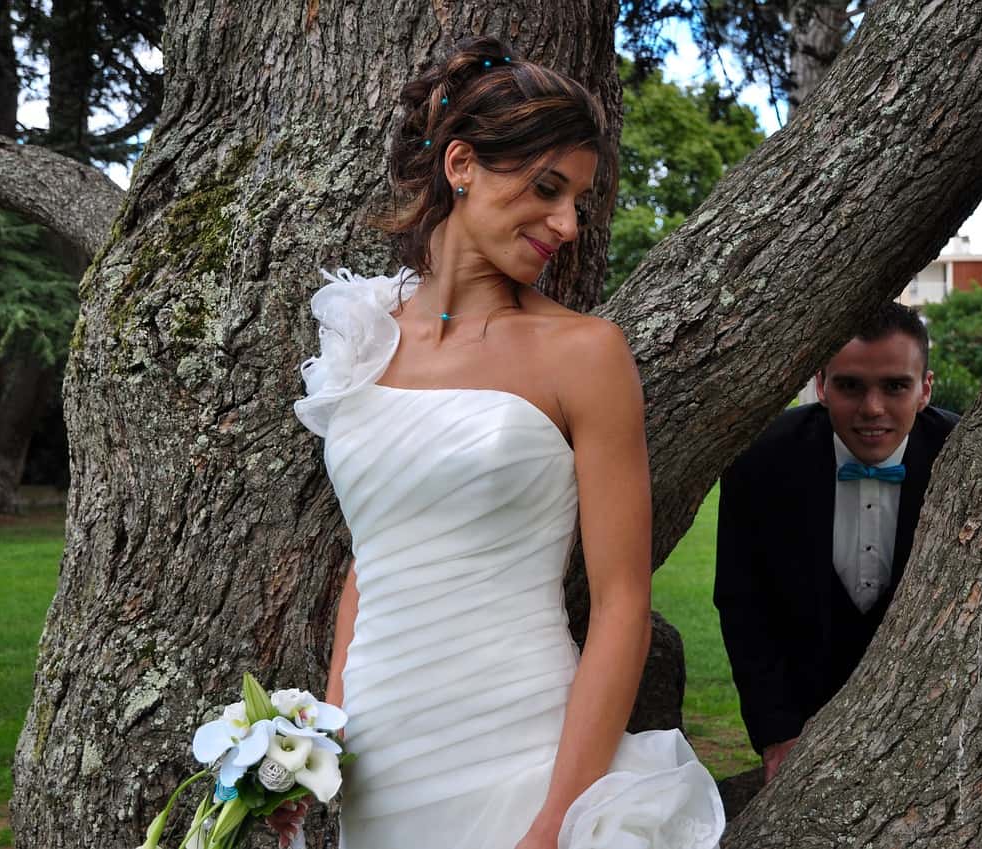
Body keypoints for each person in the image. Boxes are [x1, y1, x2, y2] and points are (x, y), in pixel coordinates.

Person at [292, 37, 723, 849]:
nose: (566, 224)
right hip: (382, 763)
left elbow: (623, 601)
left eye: (578, 202)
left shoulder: (586, 354)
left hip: (519, 751)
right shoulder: (366, 332)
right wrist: (324, 737)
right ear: (461, 165)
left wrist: (555, 825)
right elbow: (369, 559)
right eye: (547, 188)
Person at [714, 303, 959, 783]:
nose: (872, 408)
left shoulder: (969, 453)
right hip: (804, 716)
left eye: (895, 386)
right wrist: (776, 731)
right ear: (822, 386)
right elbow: (743, 604)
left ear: (924, 389)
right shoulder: (759, 457)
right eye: (850, 386)